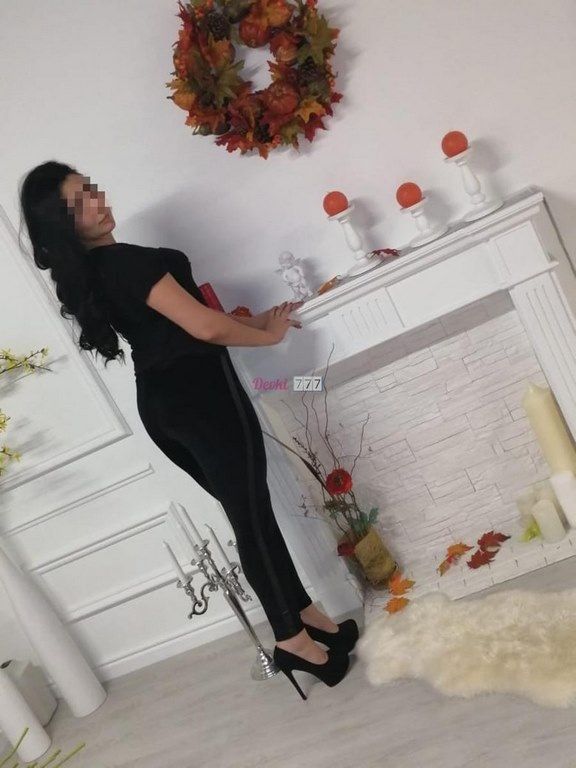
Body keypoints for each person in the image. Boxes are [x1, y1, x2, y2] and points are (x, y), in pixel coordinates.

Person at [18, 161, 359, 701]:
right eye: (78, 202)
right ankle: (291, 639)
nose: (97, 201)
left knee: (251, 514)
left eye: (91, 189)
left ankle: (306, 616)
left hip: (165, 405)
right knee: (252, 518)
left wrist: (259, 321)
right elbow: (203, 327)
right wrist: (270, 337)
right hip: (203, 399)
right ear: (63, 224)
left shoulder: (98, 273)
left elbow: (183, 326)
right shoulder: (128, 262)